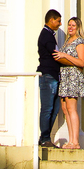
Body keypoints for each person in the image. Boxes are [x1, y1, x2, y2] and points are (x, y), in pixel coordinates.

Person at [54, 16, 84, 149]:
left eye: (73, 25)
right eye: (69, 25)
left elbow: (81, 62)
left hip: (73, 77)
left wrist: (65, 56)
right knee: (65, 109)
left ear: (78, 27)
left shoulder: (80, 42)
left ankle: (76, 141)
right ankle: (71, 140)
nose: (70, 28)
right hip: (64, 77)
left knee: (72, 108)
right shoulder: (67, 41)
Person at [36, 8, 62, 147]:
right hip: (48, 76)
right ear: (51, 20)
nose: (60, 24)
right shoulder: (46, 35)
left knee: (55, 107)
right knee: (47, 108)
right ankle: (45, 138)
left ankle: (45, 137)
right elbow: (56, 54)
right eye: (58, 21)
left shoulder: (50, 35)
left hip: (54, 76)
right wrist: (72, 60)